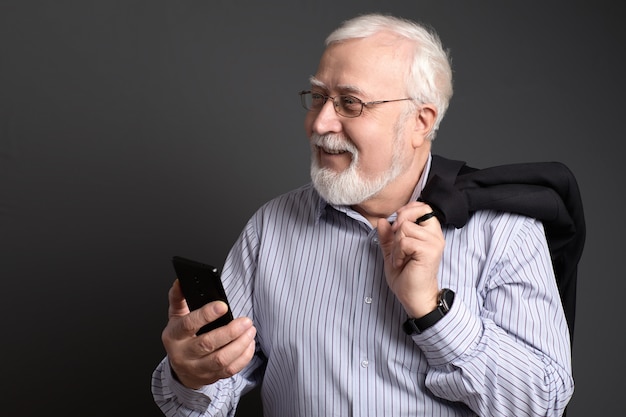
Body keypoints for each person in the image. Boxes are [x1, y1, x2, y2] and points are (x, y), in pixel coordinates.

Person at [151, 13, 574, 417]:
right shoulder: (270, 229)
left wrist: (432, 310)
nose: (320, 123)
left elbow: (543, 405)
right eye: (318, 98)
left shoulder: (504, 231)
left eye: (350, 103)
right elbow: (204, 397)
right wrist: (189, 374)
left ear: (419, 122)